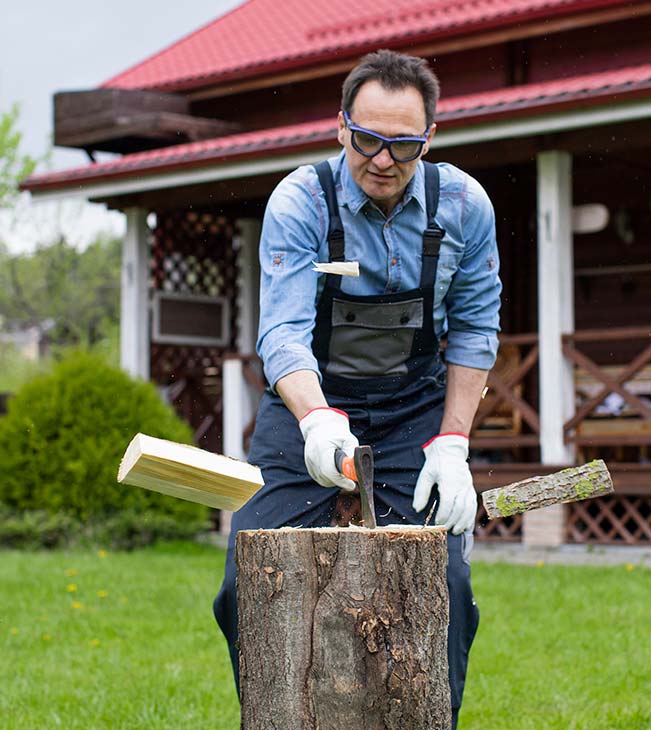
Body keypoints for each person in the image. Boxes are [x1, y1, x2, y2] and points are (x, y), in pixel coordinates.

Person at [214, 48, 501, 728]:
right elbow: (282, 332)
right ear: (341, 126)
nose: (382, 159)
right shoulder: (300, 199)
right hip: (305, 410)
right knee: (242, 587)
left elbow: (475, 329)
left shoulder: (463, 204)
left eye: (402, 144)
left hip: (414, 414)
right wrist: (317, 419)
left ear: (429, 138)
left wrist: (454, 442)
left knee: (447, 588)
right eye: (368, 138)